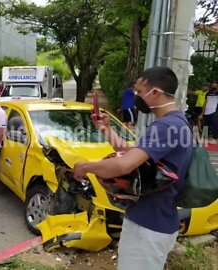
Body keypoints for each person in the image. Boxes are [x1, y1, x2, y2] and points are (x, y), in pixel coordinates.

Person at [73, 67, 193, 270]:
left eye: (138, 91)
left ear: (155, 93)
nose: (136, 96)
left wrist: (85, 167)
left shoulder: (165, 127)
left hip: (148, 225)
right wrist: (107, 130)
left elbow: (124, 164)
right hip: (157, 219)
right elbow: (134, 154)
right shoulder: (178, 122)